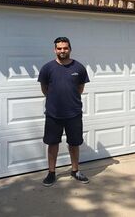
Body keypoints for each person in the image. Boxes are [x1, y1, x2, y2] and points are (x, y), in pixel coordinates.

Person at [38, 37, 90, 187]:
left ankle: (75, 171)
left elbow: (80, 89)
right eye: (59, 48)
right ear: (55, 50)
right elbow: (45, 89)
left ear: (70, 49)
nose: (62, 51)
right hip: (53, 114)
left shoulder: (79, 68)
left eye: (65, 48)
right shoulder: (47, 68)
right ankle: (51, 173)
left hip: (74, 113)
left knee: (74, 143)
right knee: (52, 143)